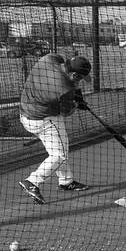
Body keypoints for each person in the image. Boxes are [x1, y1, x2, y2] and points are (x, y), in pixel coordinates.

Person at [18, 53, 92, 204]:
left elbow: (59, 59)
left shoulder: (49, 59)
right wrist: (77, 103)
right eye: (79, 78)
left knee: (59, 149)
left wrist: (77, 94)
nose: (80, 82)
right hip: (44, 120)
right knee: (60, 155)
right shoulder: (64, 88)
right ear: (73, 74)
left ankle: (66, 181)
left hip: (25, 115)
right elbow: (66, 112)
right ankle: (32, 181)